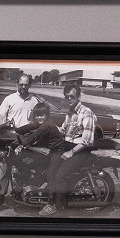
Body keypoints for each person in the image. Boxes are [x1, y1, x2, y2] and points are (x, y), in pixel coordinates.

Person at [40, 85, 97, 216]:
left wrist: (71, 152)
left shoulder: (86, 112)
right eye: (67, 97)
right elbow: (64, 130)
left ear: (79, 96)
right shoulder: (70, 113)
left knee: (59, 176)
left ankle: (58, 208)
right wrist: (49, 126)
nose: (69, 99)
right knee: (49, 170)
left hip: (80, 150)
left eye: (72, 96)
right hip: (67, 146)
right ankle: (50, 197)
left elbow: (87, 140)